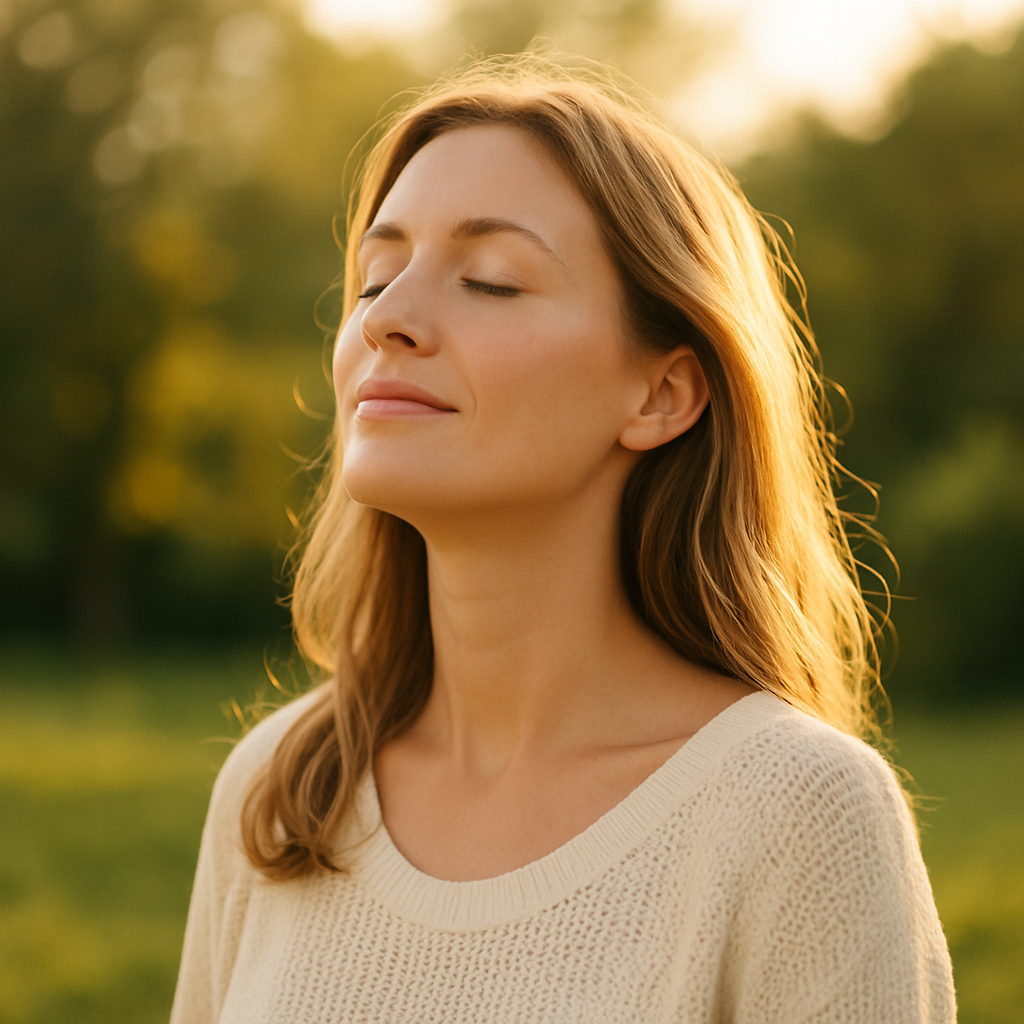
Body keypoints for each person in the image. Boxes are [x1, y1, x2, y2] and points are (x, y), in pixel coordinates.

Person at [170, 55, 956, 1023]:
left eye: (490, 281)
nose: (390, 322)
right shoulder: (283, 790)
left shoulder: (799, 816)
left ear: (660, 394)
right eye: (375, 279)